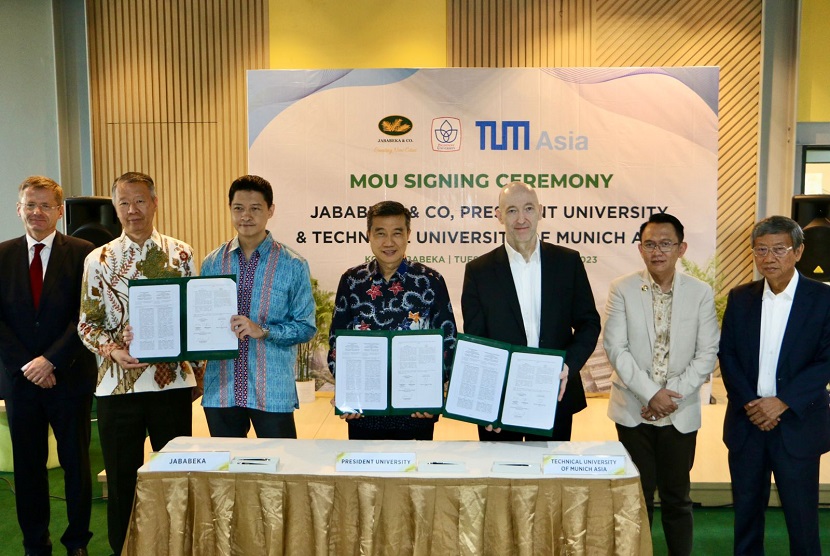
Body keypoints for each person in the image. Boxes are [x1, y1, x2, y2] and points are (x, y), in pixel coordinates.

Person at [77, 171, 202, 555]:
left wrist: (197, 371)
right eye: (124, 203)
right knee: (121, 479)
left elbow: (192, 315)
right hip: (118, 386)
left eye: (140, 201)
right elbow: (86, 323)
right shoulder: (98, 259)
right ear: (115, 208)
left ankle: (175, 546)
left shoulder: (181, 254)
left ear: (155, 202)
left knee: (174, 477)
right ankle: (124, 548)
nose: (133, 210)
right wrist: (113, 349)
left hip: (171, 385)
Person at [603, 213, 719, 556]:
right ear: (640, 249)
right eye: (650, 244)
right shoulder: (621, 288)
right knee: (635, 499)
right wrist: (651, 394)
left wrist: (670, 397)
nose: (658, 252)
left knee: (677, 498)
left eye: (666, 244)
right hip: (632, 411)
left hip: (679, 413)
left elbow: (707, 352)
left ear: (681, 248)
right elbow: (615, 348)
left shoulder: (700, 293)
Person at [720, 215, 830, 556]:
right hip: (747, 423)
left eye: (779, 249)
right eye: (761, 250)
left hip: (797, 424)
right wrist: (753, 404)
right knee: (747, 519)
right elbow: (728, 355)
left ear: (798, 252)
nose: (769, 258)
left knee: (802, 522)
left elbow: (825, 360)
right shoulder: (740, 298)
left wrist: (780, 402)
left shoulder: (822, 298)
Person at [0, 176, 96, 556]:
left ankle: (77, 543)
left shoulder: (85, 253)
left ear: (59, 211)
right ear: (18, 208)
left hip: (69, 377)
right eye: (30, 205)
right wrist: (29, 365)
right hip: (20, 382)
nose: (36, 212)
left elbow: (88, 314)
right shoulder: (1, 255)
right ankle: (34, 544)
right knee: (28, 470)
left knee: (77, 467)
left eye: (45, 205)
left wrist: (51, 360)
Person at [461, 181, 600, 441]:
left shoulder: (567, 262)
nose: (521, 218)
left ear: (540, 211)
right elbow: (478, 344)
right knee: (503, 478)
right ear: (499, 215)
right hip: (499, 404)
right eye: (512, 210)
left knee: (550, 480)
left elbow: (588, 323)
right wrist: (485, 404)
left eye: (528, 208)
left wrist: (568, 364)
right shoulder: (479, 272)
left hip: (554, 394)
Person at [327, 201, 457, 440]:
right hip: (364, 412)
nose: (389, 242)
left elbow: (448, 342)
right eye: (380, 233)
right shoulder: (352, 281)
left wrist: (432, 393)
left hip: (417, 411)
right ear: (368, 236)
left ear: (408, 234)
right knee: (365, 476)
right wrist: (348, 390)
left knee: (414, 475)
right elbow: (337, 343)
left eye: (397, 233)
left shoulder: (431, 280)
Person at [200, 175, 316, 438]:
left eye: (255, 208)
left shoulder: (293, 264)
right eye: (238, 208)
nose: (246, 216)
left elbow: (306, 327)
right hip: (222, 390)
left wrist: (262, 330)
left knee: (279, 471)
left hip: (272, 390)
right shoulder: (212, 264)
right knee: (227, 473)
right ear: (229, 209)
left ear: (270, 210)